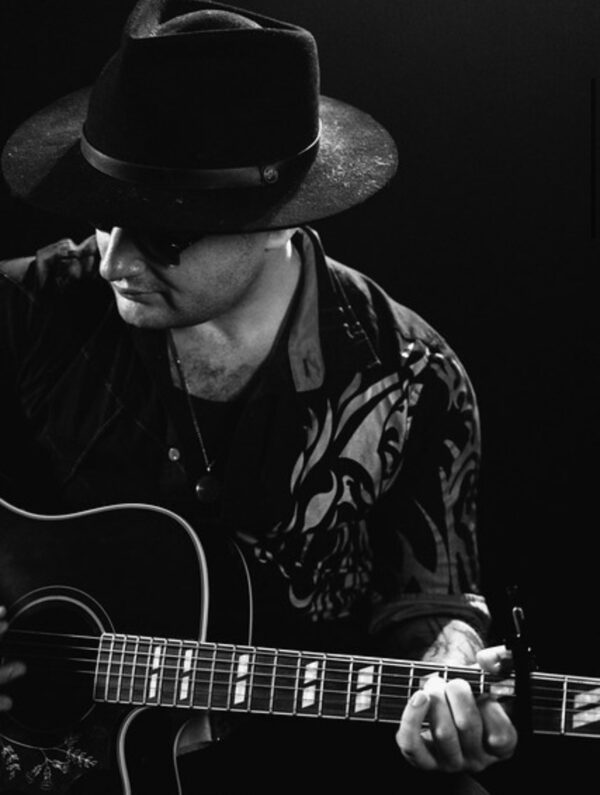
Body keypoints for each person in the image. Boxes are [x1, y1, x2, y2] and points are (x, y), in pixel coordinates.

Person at [0, 0, 517, 792]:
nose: (113, 262)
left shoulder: (413, 376)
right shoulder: (33, 309)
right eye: (103, 219)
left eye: (165, 232)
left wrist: (447, 669)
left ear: (281, 221)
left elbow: (430, 602)